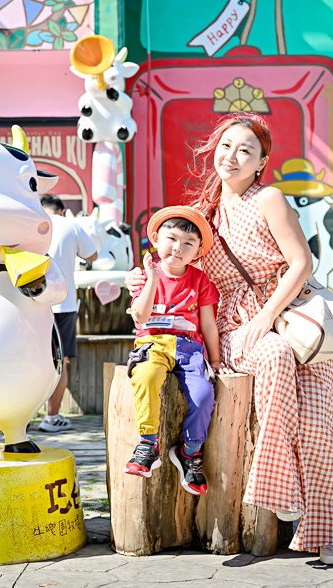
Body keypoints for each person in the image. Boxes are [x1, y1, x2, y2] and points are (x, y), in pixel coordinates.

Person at [126, 113, 333, 565]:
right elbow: (177, 264)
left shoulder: (270, 197)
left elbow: (301, 264)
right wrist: (143, 279)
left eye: (245, 150)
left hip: (292, 320)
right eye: (225, 146)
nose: (232, 156)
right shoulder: (206, 213)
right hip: (234, 327)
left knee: (317, 427)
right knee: (272, 354)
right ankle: (278, 485)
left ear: (261, 163)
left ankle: (330, 528)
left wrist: (268, 316)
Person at [125, 206, 220, 496]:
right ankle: (147, 443)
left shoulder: (200, 281)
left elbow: (208, 324)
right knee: (146, 376)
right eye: (171, 238)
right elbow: (139, 317)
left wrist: (214, 361)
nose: (178, 248)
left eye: (188, 243)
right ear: (155, 238)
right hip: (152, 343)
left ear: (198, 251)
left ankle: (190, 451)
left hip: (190, 348)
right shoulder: (142, 276)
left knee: (204, 395)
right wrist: (152, 279)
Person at [39, 194, 97, 432]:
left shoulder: (30, 221)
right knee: (59, 362)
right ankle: (51, 418)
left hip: (31, 303)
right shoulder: (71, 225)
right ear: (62, 211)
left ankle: (20, 417)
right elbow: (92, 255)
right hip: (63, 304)